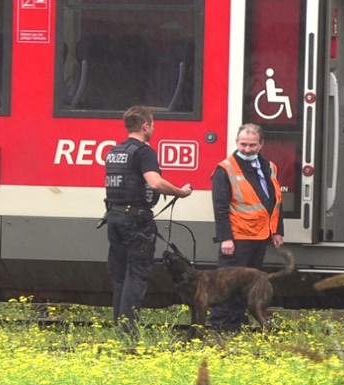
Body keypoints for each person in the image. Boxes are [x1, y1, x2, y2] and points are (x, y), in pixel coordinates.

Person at [104, 105, 193, 335]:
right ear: (145, 126)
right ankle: (128, 332)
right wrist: (180, 192)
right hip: (136, 222)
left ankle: (120, 329)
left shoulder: (115, 151)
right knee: (136, 276)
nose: (153, 128)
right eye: (152, 124)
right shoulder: (144, 152)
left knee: (121, 277)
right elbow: (154, 183)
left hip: (114, 219)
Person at [210, 123, 284, 330]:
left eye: (252, 145)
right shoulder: (225, 169)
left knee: (247, 284)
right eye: (243, 144)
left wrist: (277, 231)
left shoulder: (269, 166)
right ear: (236, 142)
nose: (247, 149)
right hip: (237, 237)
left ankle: (235, 323)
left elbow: (276, 201)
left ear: (261, 144)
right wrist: (225, 237)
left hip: (259, 236)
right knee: (226, 284)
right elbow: (220, 206)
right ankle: (220, 325)